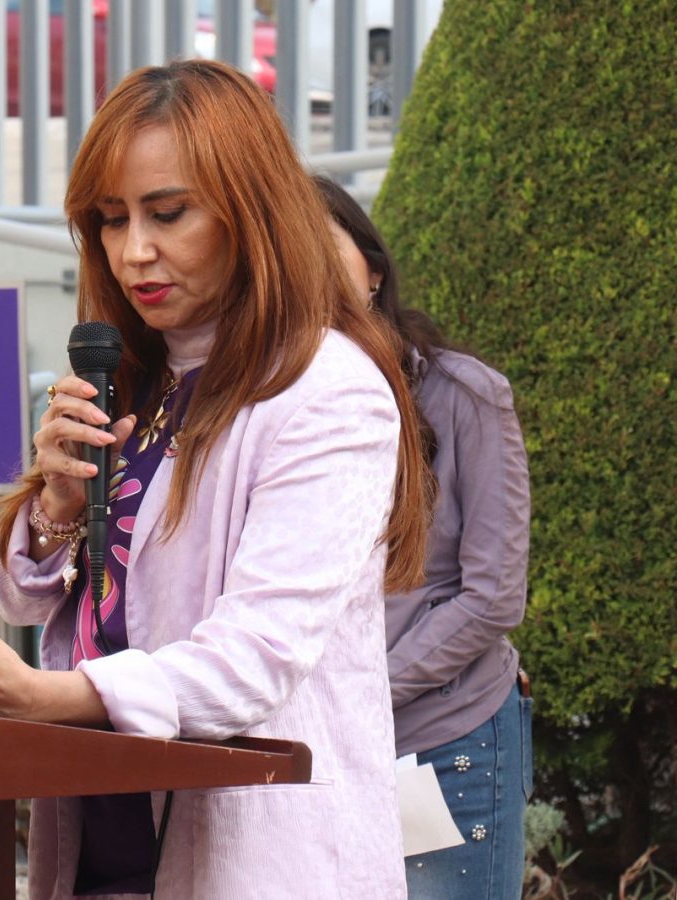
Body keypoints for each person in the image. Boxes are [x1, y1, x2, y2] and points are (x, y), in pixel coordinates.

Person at [0, 59, 433, 899]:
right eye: (110, 220)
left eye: (168, 213)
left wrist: (45, 697)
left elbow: (254, 657)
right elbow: (32, 601)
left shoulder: (325, 390)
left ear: (251, 213)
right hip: (100, 841)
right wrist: (55, 506)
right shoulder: (135, 376)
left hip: (257, 856)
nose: (134, 252)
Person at [314, 174, 533, 900]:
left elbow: (494, 594)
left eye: (325, 245)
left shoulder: (463, 393)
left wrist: (368, 689)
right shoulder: (264, 411)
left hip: (445, 737)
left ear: (373, 268)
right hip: (315, 751)